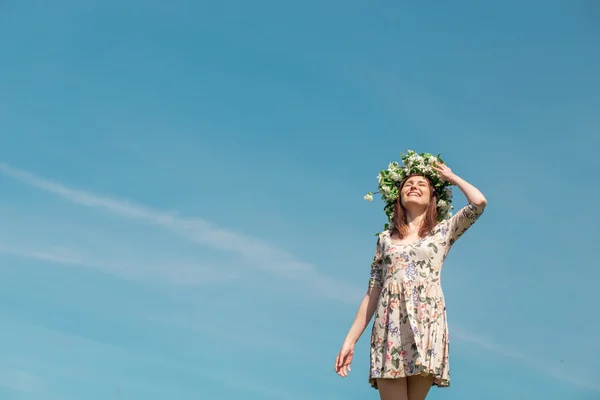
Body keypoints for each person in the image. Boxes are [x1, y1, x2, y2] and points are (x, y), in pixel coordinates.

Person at [334, 151, 487, 400]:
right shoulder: (385, 240)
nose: (414, 187)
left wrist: (451, 176)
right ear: (399, 196)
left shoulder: (443, 232)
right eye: (408, 184)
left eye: (422, 184)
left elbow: (479, 203)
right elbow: (373, 291)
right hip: (389, 326)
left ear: (432, 197)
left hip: (427, 325)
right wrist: (350, 341)